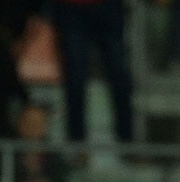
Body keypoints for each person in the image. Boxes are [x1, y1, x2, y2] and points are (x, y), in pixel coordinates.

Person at [49, 0, 133, 143]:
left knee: (119, 73)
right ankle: (77, 141)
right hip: (71, 8)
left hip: (108, 7)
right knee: (75, 76)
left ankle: (127, 139)